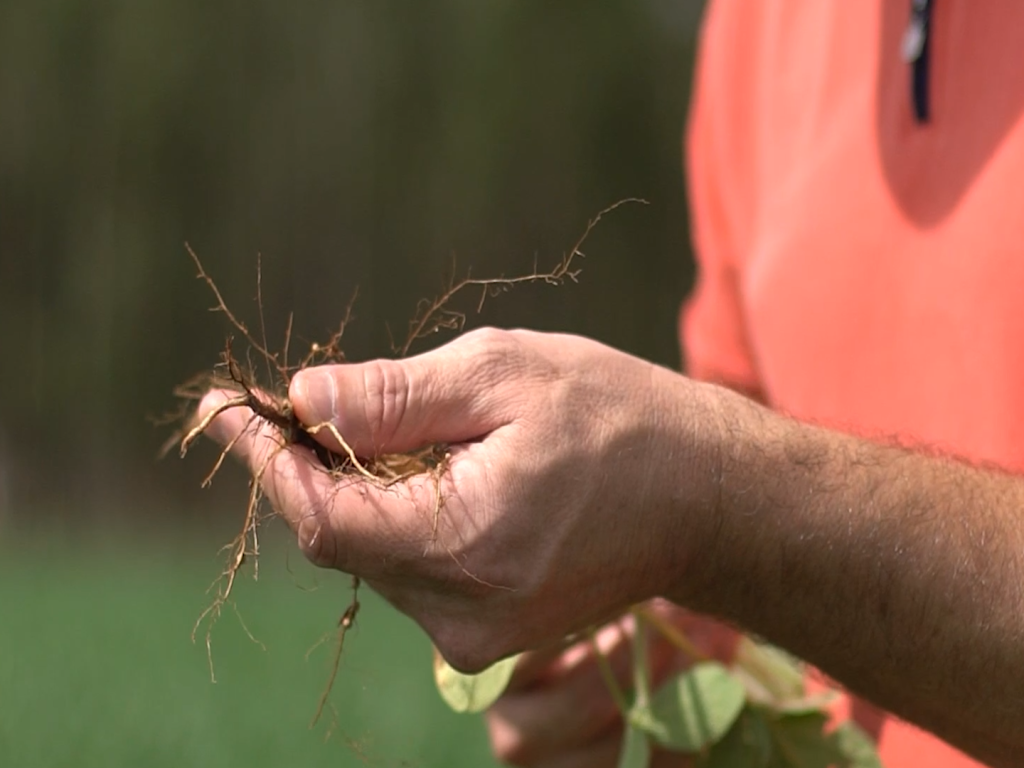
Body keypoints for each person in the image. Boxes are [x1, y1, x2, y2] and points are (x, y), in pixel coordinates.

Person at [198, 1, 1024, 766]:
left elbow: (742, 502)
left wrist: (699, 504)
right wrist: (615, 663)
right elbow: (755, 567)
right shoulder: (755, 23)